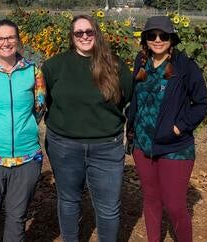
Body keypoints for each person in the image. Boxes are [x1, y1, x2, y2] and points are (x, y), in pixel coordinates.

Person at [42, 14, 133, 242]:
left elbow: (128, 97)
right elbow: (49, 100)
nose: (84, 36)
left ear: (96, 34)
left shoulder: (115, 65)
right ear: (71, 37)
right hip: (64, 145)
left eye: (89, 32)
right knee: (69, 200)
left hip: (106, 147)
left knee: (108, 206)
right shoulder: (54, 66)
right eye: (78, 33)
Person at [126, 16, 207, 242]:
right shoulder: (141, 61)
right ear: (145, 39)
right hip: (143, 145)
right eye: (152, 35)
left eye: (164, 35)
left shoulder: (184, 66)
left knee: (175, 206)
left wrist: (179, 127)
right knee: (151, 200)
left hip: (175, 147)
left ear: (171, 39)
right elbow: (135, 97)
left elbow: (202, 103)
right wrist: (130, 127)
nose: (158, 40)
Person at [0, 19, 46, 242]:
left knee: (17, 218)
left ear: (18, 40)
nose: (6, 42)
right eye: (0, 38)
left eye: (11, 37)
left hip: (26, 157)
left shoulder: (34, 71)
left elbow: (39, 108)